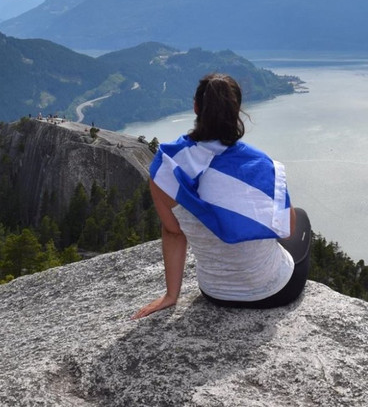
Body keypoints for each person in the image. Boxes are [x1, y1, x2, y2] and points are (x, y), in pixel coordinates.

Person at [133, 73, 311, 319]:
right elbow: (288, 229)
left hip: (215, 292)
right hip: (275, 291)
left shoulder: (167, 166)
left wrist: (171, 296)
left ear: (196, 108)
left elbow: (173, 232)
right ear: (236, 111)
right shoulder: (260, 165)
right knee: (300, 217)